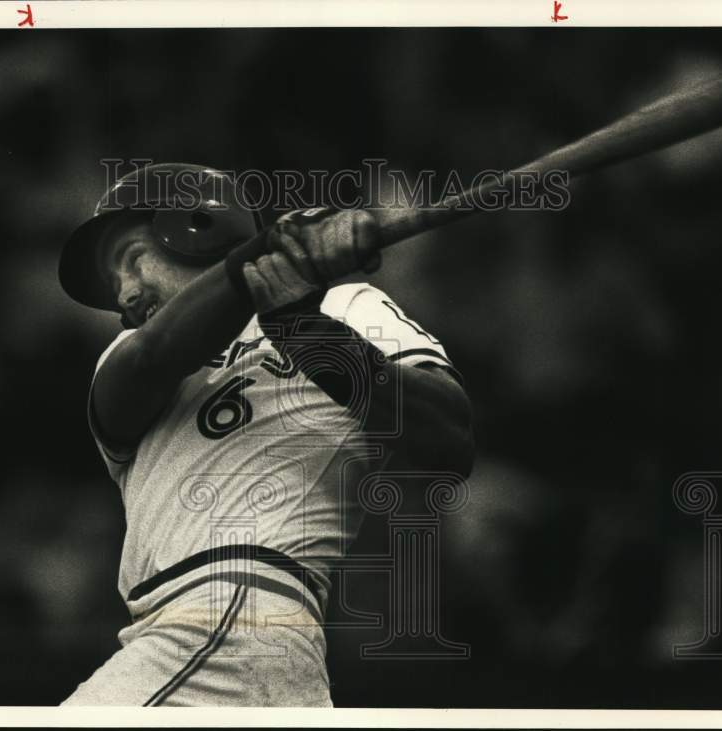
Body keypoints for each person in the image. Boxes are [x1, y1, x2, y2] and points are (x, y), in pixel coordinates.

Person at [57, 162, 474, 706]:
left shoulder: (345, 308)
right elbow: (155, 355)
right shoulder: (130, 356)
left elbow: (450, 438)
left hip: (238, 616)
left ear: (198, 225)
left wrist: (308, 332)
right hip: (189, 638)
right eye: (115, 284)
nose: (125, 296)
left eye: (132, 262)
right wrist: (267, 255)